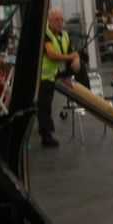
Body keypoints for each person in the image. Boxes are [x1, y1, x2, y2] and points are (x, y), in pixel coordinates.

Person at [38, 8, 80, 147]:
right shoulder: (45, 34)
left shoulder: (65, 35)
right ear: (49, 21)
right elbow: (51, 55)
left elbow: (72, 52)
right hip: (45, 75)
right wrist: (71, 57)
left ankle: (88, 92)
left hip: (59, 71)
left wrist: (76, 59)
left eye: (62, 19)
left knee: (81, 66)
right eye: (57, 20)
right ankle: (46, 136)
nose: (60, 22)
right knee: (45, 106)